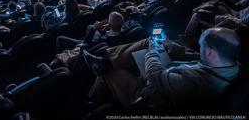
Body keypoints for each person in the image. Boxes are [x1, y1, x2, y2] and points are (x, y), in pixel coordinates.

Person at [84, 27, 240, 112]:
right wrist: (171, 46)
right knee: (149, 41)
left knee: (107, 71)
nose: (199, 50)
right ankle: (105, 60)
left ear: (209, 52)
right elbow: (194, 56)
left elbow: (155, 75)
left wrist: (153, 52)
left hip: (149, 94)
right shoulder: (228, 62)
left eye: (201, 47)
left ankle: (92, 99)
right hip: (171, 73)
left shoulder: (200, 85)